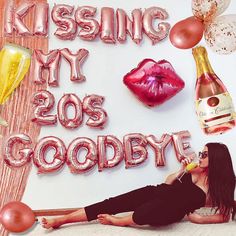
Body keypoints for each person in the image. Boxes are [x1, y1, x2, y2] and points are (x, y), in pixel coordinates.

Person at [41, 143, 236, 229]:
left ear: (216, 160)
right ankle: (63, 220)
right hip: (158, 192)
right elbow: (168, 183)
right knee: (112, 203)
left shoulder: (221, 184)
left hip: (169, 210)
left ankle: (119, 222)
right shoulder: (193, 171)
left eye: (204, 155)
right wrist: (180, 171)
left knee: (147, 211)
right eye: (201, 153)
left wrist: (199, 220)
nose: (199, 157)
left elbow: (224, 216)